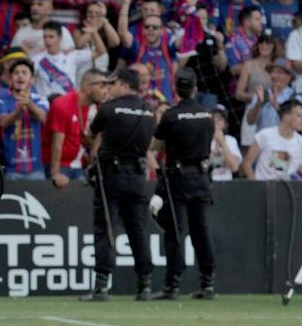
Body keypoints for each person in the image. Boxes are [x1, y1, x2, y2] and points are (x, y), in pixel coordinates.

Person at [79, 67, 155, 302]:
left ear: (123, 85)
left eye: (112, 84)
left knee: (105, 230)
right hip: (138, 176)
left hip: (111, 175)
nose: (108, 88)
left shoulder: (108, 109)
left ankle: (101, 288)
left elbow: (90, 134)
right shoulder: (148, 111)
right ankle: (145, 285)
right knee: (138, 230)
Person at [151, 69, 217, 300]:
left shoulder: (171, 115)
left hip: (178, 178)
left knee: (176, 232)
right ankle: (207, 283)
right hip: (201, 177)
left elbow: (156, 144)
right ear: (195, 89)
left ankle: (172, 285)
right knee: (201, 231)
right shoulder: (207, 115)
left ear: (176, 89)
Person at [45, 70, 108, 188]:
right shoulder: (62, 104)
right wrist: (55, 174)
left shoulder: (99, 108)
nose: (106, 91)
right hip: (59, 165)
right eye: (102, 86)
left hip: (78, 165)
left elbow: (95, 144)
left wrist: (94, 170)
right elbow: (57, 144)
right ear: (88, 88)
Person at [0, 59, 49, 180]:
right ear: (11, 79)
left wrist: (28, 104)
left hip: (36, 170)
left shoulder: (40, 98)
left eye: (24, 72)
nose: (20, 76)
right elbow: (3, 122)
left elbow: (42, 116)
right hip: (11, 170)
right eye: (16, 73)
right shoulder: (2, 99)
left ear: (32, 79)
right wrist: (19, 110)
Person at [33, 21, 105, 98]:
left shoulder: (71, 56)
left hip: (67, 103)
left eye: (51, 37)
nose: (47, 40)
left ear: (60, 38)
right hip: (46, 105)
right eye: (45, 37)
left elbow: (100, 51)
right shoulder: (37, 59)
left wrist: (94, 33)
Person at [241, 99, 302, 180]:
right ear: (286, 116)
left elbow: (299, 168)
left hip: (289, 191)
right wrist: (258, 187)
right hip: (264, 189)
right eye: (299, 115)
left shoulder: (300, 141)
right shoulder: (265, 135)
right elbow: (246, 163)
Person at [209, 105, 242, 181]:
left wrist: (222, 142)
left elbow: (234, 167)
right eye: (213, 118)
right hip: (208, 184)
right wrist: (212, 154)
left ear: (225, 124)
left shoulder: (230, 140)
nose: (216, 121)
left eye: (220, 119)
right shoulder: (204, 140)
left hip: (226, 184)